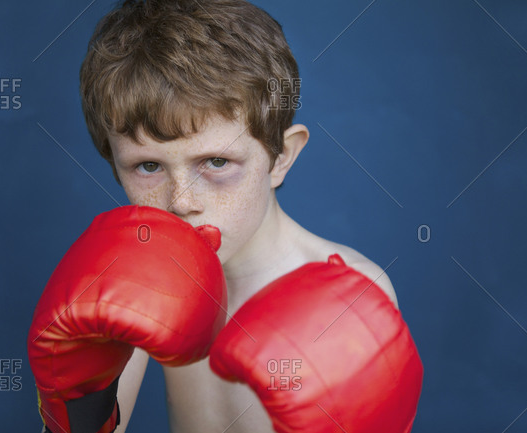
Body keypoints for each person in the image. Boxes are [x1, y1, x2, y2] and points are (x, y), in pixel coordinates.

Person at [31, 1, 422, 431]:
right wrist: (77, 404)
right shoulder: (139, 285)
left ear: (280, 158)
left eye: (216, 162)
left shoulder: (351, 291)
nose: (181, 201)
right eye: (148, 166)